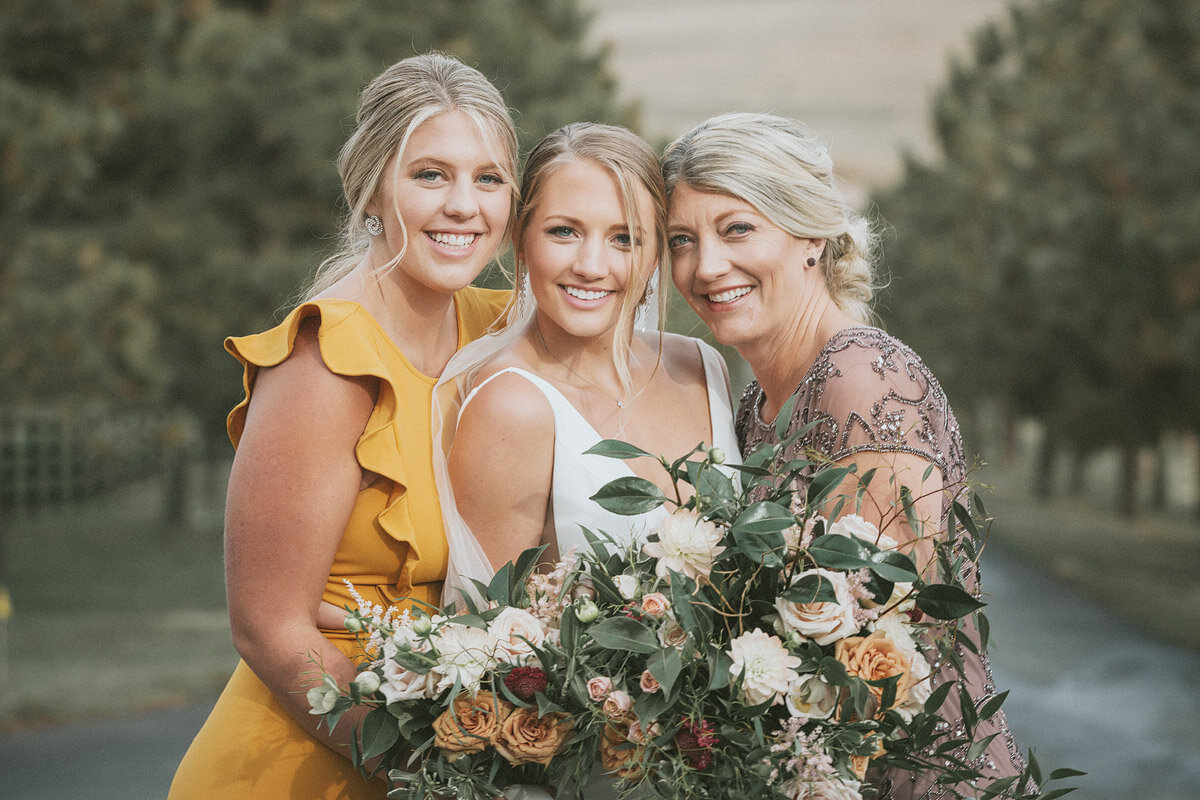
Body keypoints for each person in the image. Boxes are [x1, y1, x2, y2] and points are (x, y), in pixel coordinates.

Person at [168, 52, 517, 800]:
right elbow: (268, 626)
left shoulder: (505, 328)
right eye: (430, 175)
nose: (465, 205)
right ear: (371, 191)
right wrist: (436, 774)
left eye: (488, 178)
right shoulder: (325, 360)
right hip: (305, 765)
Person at [662, 112, 1028, 800]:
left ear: (810, 236)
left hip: (912, 777)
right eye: (683, 240)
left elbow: (873, 656)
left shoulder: (862, 377)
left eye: (737, 228)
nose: (706, 266)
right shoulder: (755, 406)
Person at [435, 120, 739, 612]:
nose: (592, 265)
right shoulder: (512, 406)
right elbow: (483, 633)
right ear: (521, 238)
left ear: (657, 250)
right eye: (564, 232)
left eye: (625, 238)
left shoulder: (702, 366)